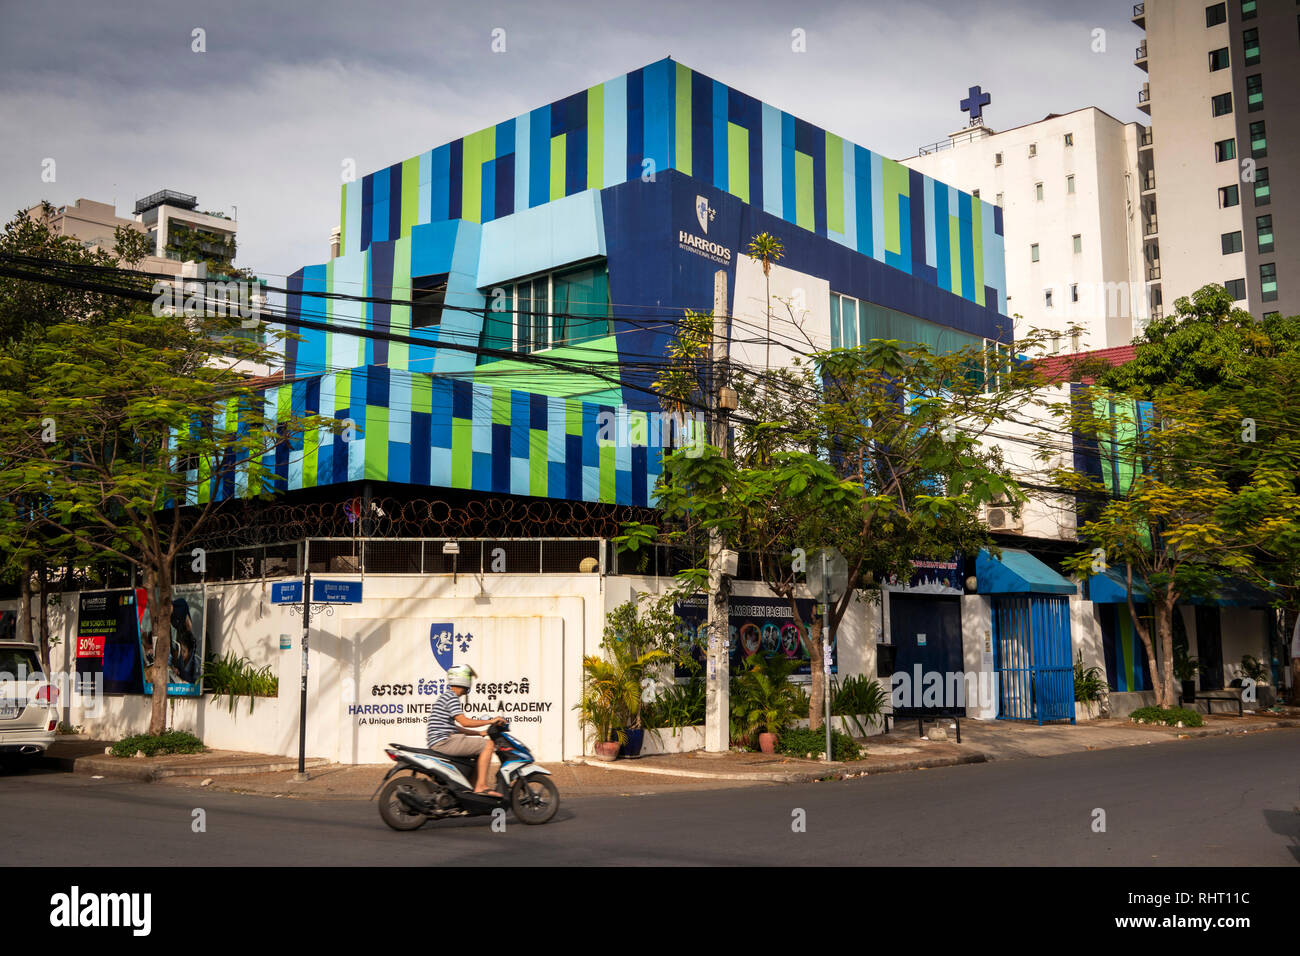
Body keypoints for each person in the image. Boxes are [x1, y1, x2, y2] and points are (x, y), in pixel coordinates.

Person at [426, 664, 507, 797]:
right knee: (488, 745)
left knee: (476, 751)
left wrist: (479, 733)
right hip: (444, 741)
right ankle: (480, 786)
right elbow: (464, 722)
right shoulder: (451, 697)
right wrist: (490, 721)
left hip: (441, 740)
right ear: (463, 679)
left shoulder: (446, 696)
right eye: (469, 678)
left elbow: (456, 728)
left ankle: (469, 787)